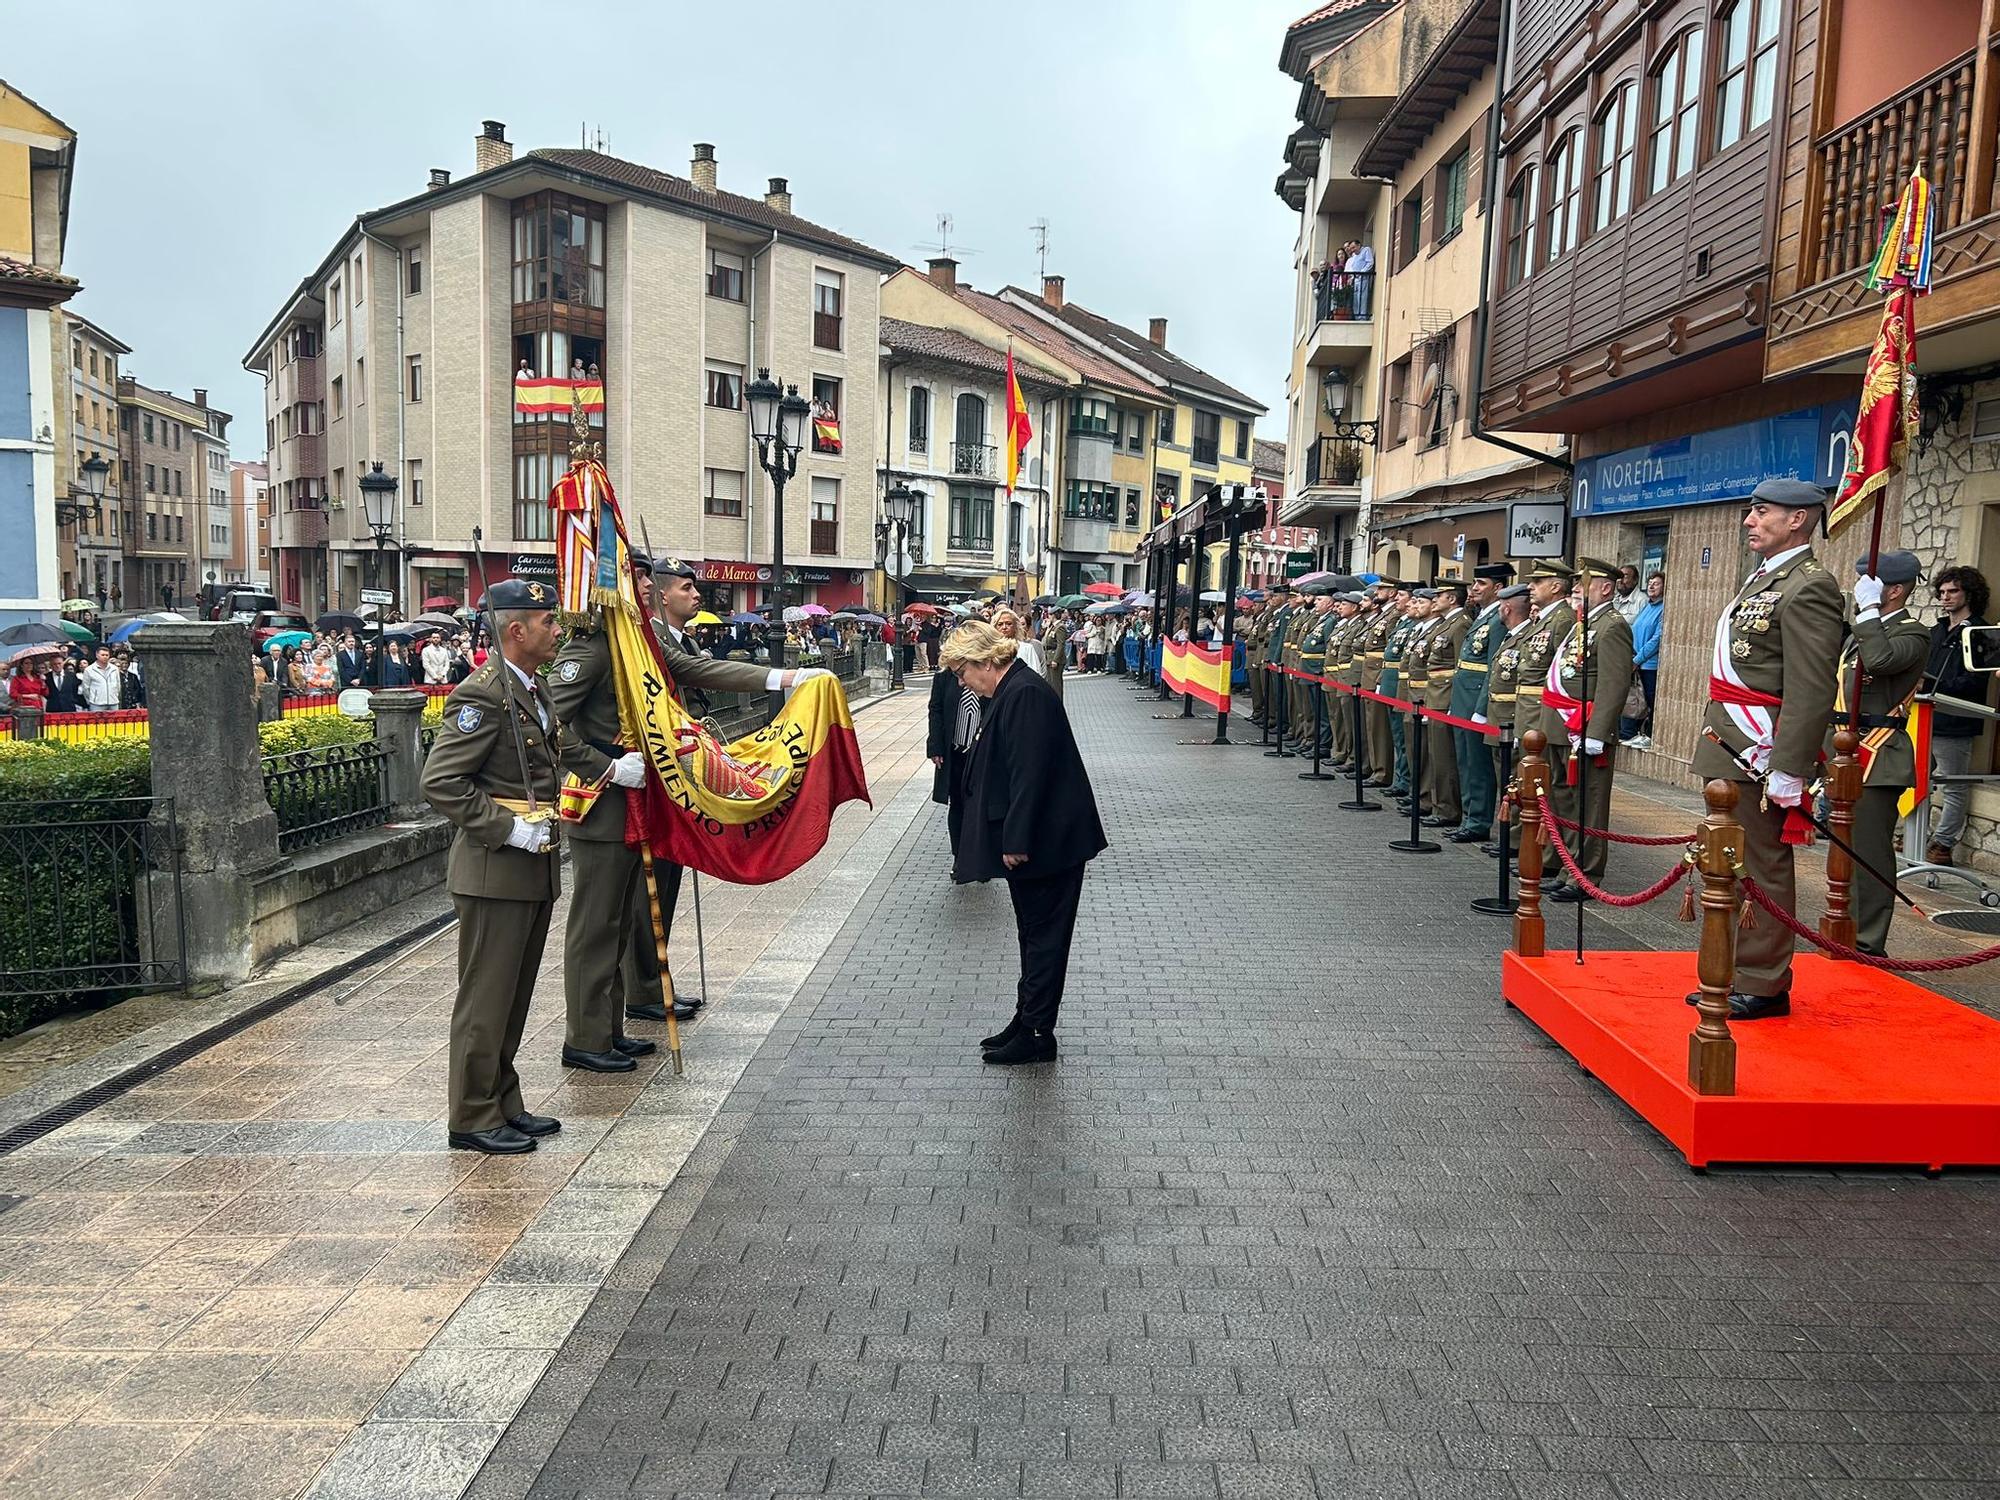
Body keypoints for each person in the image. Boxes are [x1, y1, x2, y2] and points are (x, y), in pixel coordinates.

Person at [548, 554, 826, 1059]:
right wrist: (603, 765)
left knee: (618, 925)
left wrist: (784, 680)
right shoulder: (592, 649)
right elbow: (544, 721)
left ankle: (608, 1031)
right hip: (603, 803)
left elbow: (698, 667)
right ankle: (584, 1039)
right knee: (596, 926)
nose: (647, 587)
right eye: (635, 578)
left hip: (640, 800)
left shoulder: (640, 644)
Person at [418, 576, 567, 1154]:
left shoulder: (531, 687)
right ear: (516, 630)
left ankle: (503, 1099)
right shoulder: (483, 694)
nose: (557, 630)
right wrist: (509, 830)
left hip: (531, 864)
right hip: (494, 867)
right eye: (548, 622)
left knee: (514, 994)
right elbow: (441, 782)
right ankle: (473, 1115)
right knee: (486, 997)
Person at [1690, 478, 1844, 1020]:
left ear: (1798, 518)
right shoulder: (1766, 578)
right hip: (1729, 741)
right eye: (1751, 511)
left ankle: (1764, 981)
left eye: (1762, 511)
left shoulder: (1809, 586)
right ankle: (1731, 967)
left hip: (1760, 747)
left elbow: (1811, 685)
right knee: (1727, 863)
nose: (1750, 521)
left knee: (1762, 865)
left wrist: (1789, 767)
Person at [941, 622, 1107, 1067]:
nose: (961, 680)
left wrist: (1015, 839)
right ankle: (1027, 1017)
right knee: (1033, 933)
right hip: (1043, 839)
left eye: (962, 670)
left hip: (1047, 843)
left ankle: (1037, 1032)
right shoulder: (1013, 690)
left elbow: (1028, 775)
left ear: (986, 661)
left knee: (1044, 936)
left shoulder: (1024, 694)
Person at [1831, 550, 1931, 956]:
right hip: (1847, 752)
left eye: (1867, 584)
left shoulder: (1913, 633)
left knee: (1868, 855)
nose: (1859, 590)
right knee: (1842, 851)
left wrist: (1870, 610)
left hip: (1880, 755)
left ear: (1893, 590)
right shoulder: (1863, 629)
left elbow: (1882, 660)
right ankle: (1842, 929)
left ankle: (1869, 941)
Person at [1541, 559, 1636, 902]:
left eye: (1583, 583)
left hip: (1586, 729)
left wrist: (1597, 732)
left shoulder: (1612, 626)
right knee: (1564, 800)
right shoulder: (1583, 623)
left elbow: (1614, 683)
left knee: (1588, 804)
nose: (1576, 589)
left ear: (1606, 587)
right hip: (1563, 725)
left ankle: (1586, 874)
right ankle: (1568, 865)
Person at [1924, 565, 1992, 866]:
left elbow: (1977, 682)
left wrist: (1932, 685)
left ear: (1969, 593)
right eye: (1941, 592)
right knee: (1916, 781)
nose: (1946, 598)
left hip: (1957, 721)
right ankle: (1917, 835)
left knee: (1953, 787)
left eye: (1953, 591)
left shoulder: (1982, 632)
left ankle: (1943, 844)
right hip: (1924, 717)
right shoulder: (1935, 630)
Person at [1448, 563, 1514, 842]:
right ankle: (1469, 816)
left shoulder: (1497, 621)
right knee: (1465, 761)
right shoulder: (1480, 617)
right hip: (1463, 698)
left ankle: (1478, 821)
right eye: (1474, 583)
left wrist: (1481, 708)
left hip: (1477, 700)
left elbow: (1493, 667)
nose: (1474, 588)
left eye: (1481, 583)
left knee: (1479, 765)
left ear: (1498, 588)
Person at [927, 638, 980, 857]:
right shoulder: (945, 674)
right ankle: (959, 857)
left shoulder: (984, 671)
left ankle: (979, 857)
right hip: (955, 750)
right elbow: (936, 709)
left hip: (980, 751)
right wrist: (935, 746)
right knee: (957, 804)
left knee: (980, 806)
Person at [1622, 573, 1665, 749]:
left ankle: (1649, 735)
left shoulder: (1663, 608)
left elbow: (1657, 638)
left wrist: (1638, 659)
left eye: (1657, 584)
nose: (1652, 586)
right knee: (1638, 700)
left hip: (1649, 664)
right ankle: (1638, 732)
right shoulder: (1648, 606)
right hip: (1637, 659)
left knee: (1651, 700)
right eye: (1650, 583)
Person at [992, 608, 1044, 675]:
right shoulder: (991, 650)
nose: (1004, 627)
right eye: (1000, 624)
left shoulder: (1027, 648)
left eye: (1008, 624)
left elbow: (1036, 674)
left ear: (1015, 627)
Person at [82, 645, 123, 711]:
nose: (105, 657)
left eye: (107, 655)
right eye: (103, 655)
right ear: (97, 655)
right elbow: (86, 688)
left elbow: (118, 685)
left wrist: (115, 695)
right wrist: (92, 699)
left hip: (113, 702)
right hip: (96, 703)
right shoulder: (89, 670)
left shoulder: (114, 669)